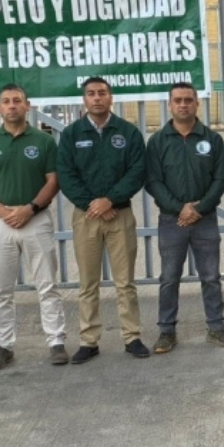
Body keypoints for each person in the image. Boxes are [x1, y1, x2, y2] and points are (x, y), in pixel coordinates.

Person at [0, 83, 68, 370]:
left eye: (17, 100)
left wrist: (30, 209)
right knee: (2, 288)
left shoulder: (44, 141)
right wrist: (3, 211)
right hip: (0, 222)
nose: (12, 105)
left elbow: (54, 180)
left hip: (35, 220)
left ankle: (56, 341)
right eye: (6, 101)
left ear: (28, 105)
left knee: (47, 285)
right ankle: (3, 346)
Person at [56, 77, 150, 363]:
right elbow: (66, 174)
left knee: (125, 282)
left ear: (111, 98)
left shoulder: (128, 132)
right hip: (86, 216)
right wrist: (93, 204)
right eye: (91, 94)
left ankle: (132, 337)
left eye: (102, 93)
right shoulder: (71, 134)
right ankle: (89, 340)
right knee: (88, 283)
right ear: (84, 99)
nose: (97, 98)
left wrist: (110, 199)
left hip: (120, 215)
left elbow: (137, 170)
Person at [145, 82, 224, 353]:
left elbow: (220, 179)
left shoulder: (212, 139)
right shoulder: (158, 141)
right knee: (169, 278)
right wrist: (179, 209)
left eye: (188, 100)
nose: (183, 104)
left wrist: (198, 209)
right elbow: (153, 181)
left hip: (204, 219)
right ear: (170, 104)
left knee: (211, 277)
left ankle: (216, 328)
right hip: (171, 221)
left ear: (197, 103)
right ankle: (166, 332)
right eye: (178, 100)